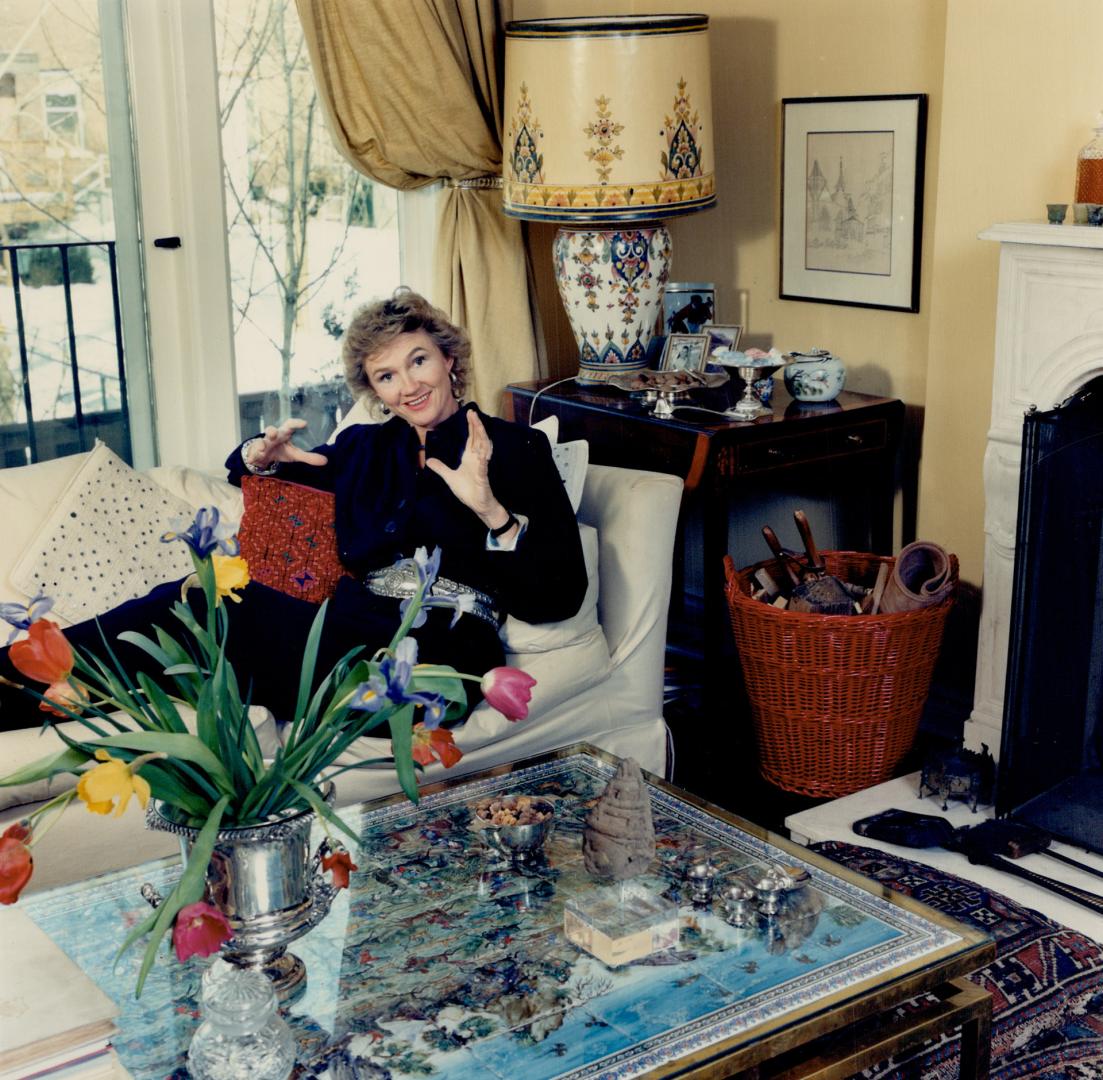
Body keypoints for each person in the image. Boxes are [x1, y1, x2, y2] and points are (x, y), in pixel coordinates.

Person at [0, 289, 586, 727]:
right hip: (350, 625)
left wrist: (492, 515)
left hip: (440, 653)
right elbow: (255, 471)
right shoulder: (365, 447)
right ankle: (19, 676)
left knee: (210, 611)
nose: (407, 385)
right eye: (386, 375)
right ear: (372, 389)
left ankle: (19, 679)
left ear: (449, 359)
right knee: (187, 602)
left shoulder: (515, 448)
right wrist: (260, 457)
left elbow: (560, 595)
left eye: (417, 361)